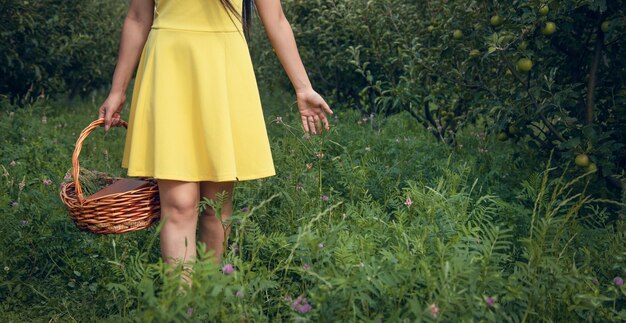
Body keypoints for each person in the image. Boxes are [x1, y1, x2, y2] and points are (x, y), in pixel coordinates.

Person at [98, 0, 332, 268]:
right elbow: (138, 18)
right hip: (169, 68)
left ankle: (210, 300)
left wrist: (303, 88)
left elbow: (276, 19)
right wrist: (117, 90)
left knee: (216, 205)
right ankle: (181, 308)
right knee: (179, 204)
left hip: (223, 68)